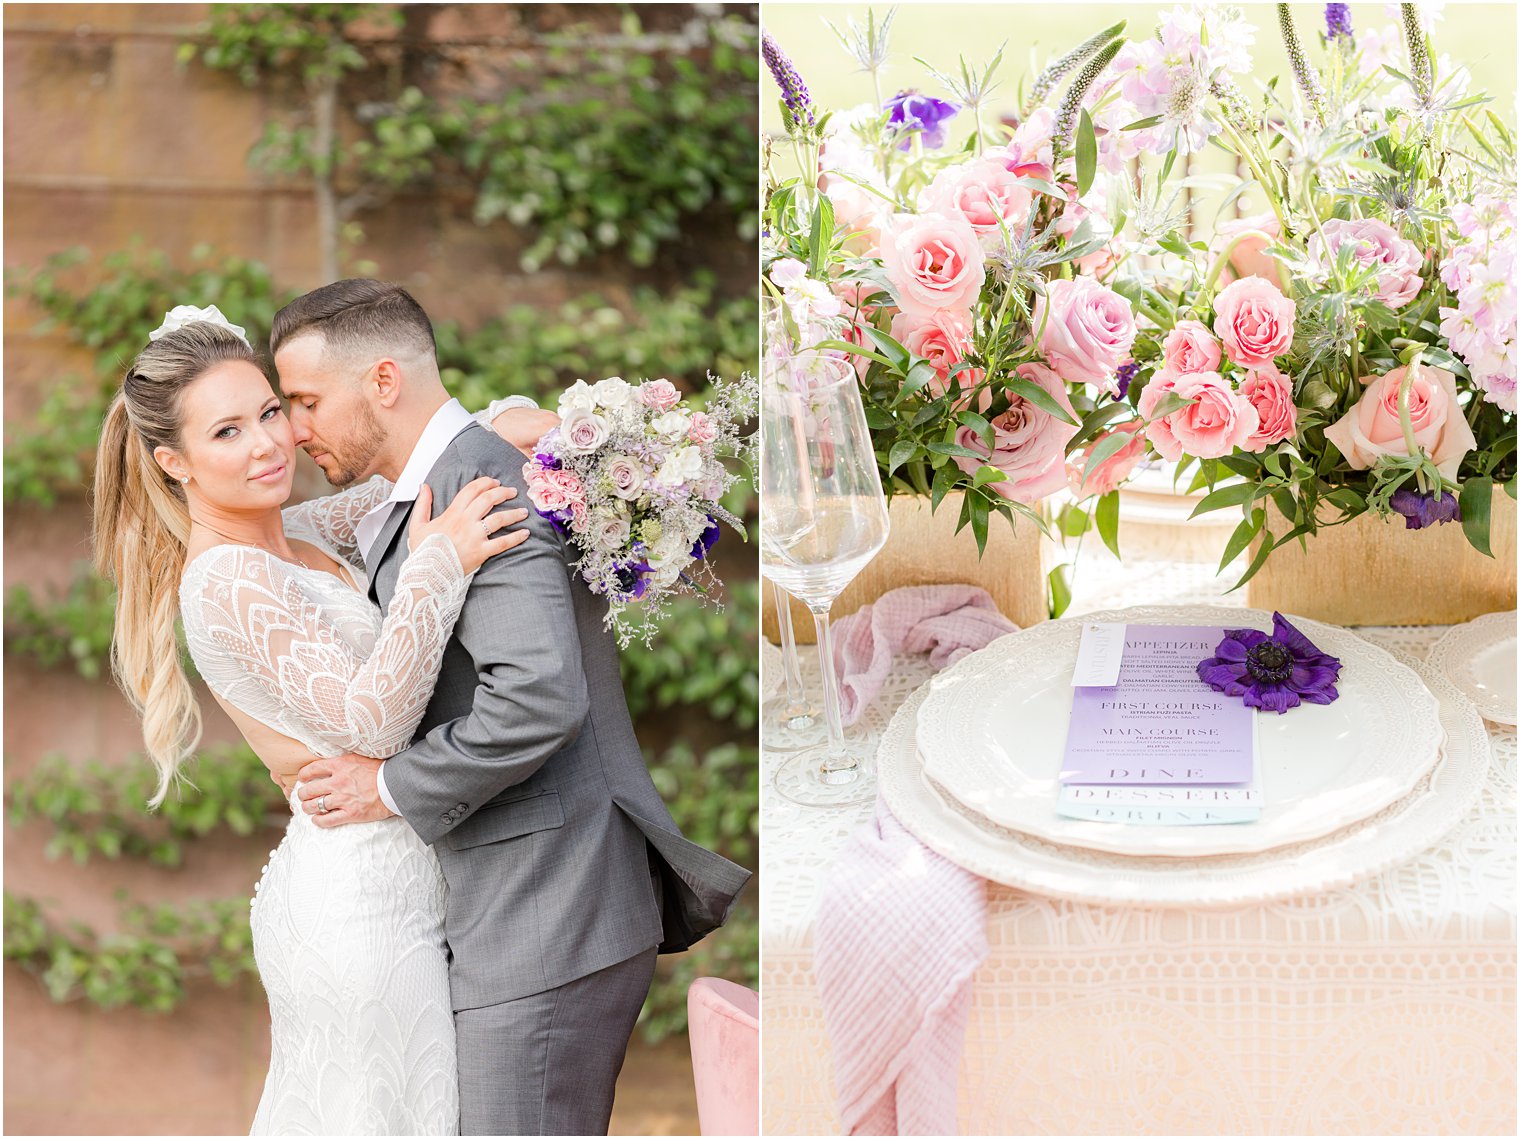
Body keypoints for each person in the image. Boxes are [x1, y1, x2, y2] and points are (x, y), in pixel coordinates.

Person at [271, 280, 750, 1135]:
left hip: (548, 914)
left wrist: (387, 786)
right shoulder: (447, 478)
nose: (295, 430)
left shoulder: (486, 486)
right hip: (516, 910)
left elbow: (536, 695)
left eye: (306, 402)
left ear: (383, 381)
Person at [94, 303, 551, 1134]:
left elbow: (398, 486)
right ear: (175, 460)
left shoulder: (296, 533)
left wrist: (492, 426)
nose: (270, 443)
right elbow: (371, 723)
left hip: (406, 878)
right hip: (356, 909)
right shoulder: (223, 580)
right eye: (227, 432)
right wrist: (442, 558)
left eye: (270, 411)